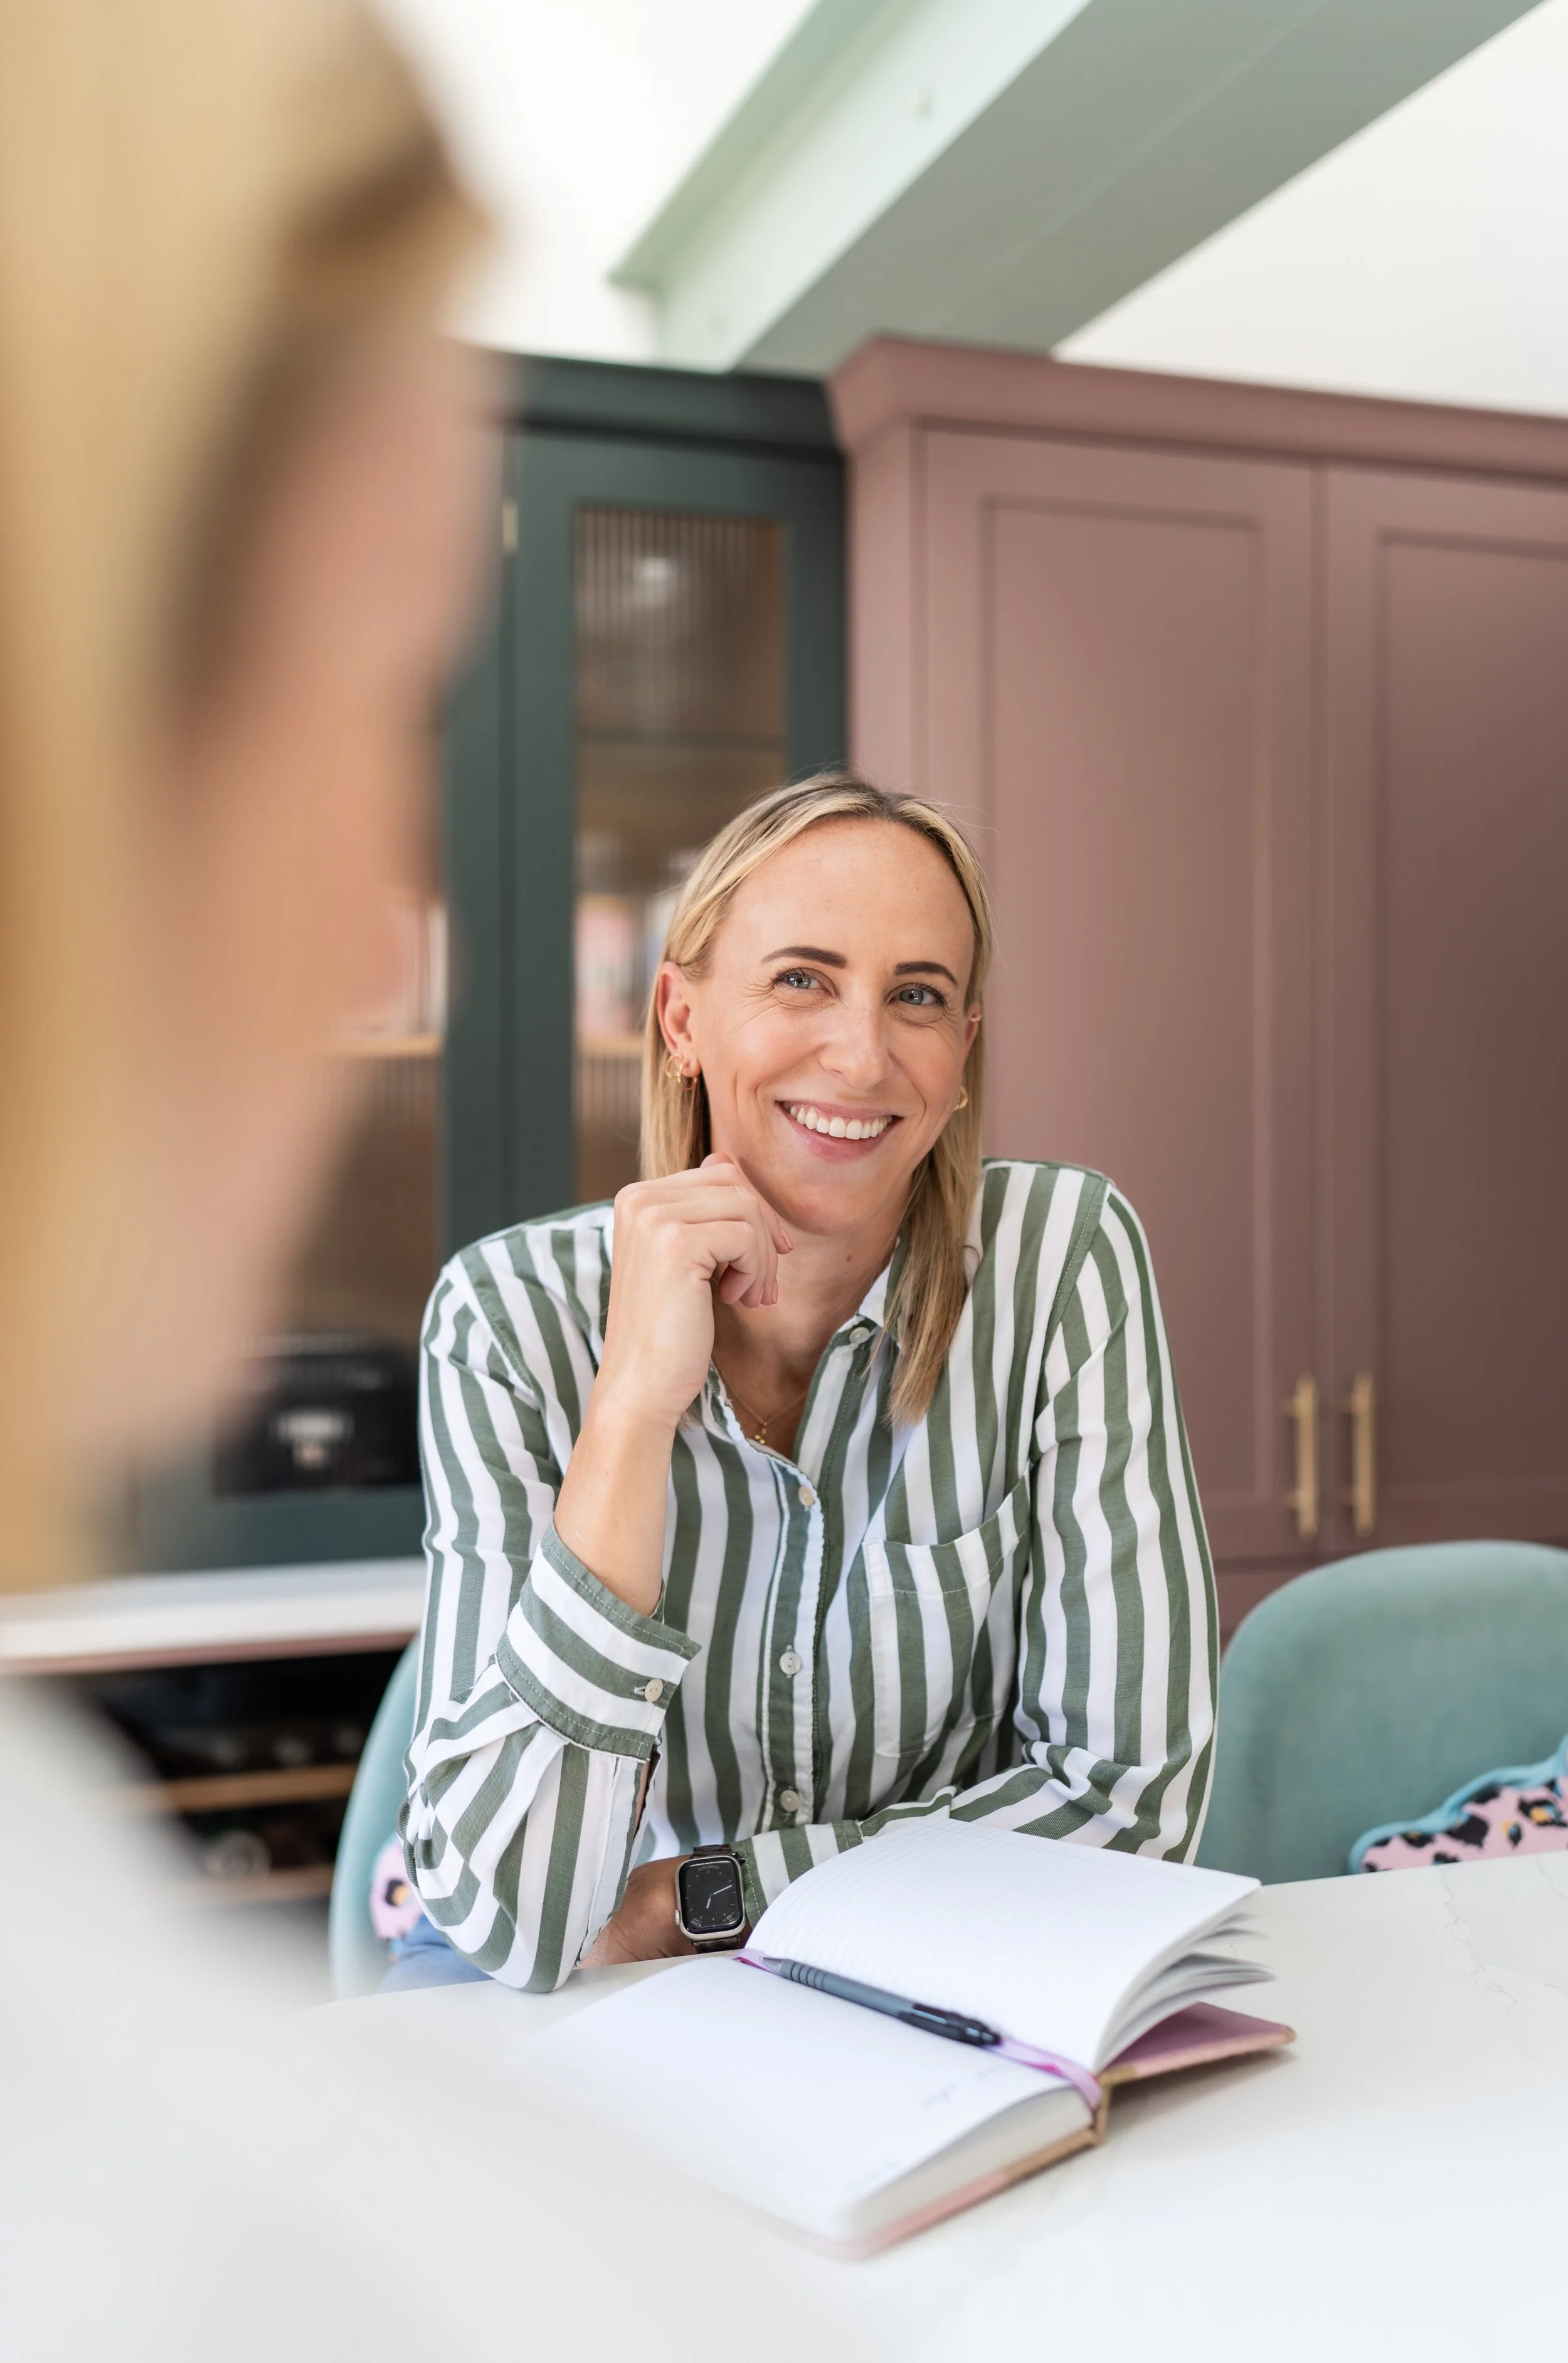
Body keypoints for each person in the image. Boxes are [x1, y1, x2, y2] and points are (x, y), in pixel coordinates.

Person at [403, 775, 1219, 1990]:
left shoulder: (1060, 1260)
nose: (860, 1052)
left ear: (960, 1054)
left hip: (925, 1959)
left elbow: (1129, 1802)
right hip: (576, 1974)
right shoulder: (507, 1317)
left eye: (918, 997)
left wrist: (707, 1896)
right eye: (801, 978)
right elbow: (515, 1922)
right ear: (680, 1017)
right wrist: (629, 1409)